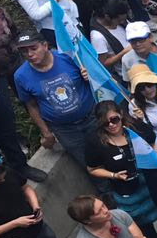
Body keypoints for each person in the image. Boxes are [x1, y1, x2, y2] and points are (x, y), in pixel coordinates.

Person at [14, 33, 96, 167]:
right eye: (24, 51)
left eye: (33, 48)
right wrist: (45, 132)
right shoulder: (20, 76)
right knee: (87, 162)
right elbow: (31, 105)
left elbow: (94, 79)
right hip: (64, 130)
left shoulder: (67, 57)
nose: (29, 54)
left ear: (45, 45)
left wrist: (89, 75)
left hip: (92, 117)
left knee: (108, 151)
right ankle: (104, 188)